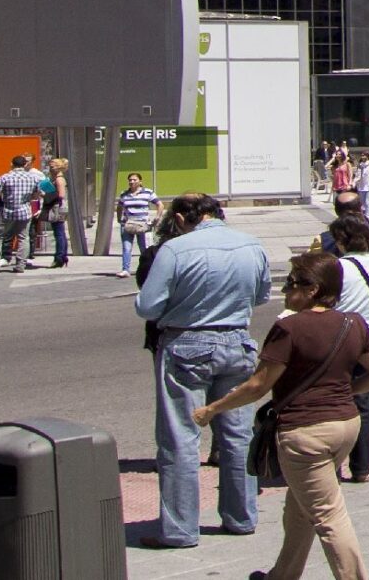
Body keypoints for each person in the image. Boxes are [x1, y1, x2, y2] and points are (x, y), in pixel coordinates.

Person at [195, 250, 369, 580]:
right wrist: (349, 391)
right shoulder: (352, 322)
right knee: (300, 508)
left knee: (328, 515)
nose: (285, 291)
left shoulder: (289, 328)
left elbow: (258, 386)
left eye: (290, 283)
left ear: (312, 288)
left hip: (305, 433)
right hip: (345, 425)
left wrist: (212, 409)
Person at [134, 192, 272, 549]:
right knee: (237, 434)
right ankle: (241, 517)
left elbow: (147, 306)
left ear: (180, 218)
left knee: (180, 438)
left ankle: (180, 528)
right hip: (236, 341)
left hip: (187, 343)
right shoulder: (251, 245)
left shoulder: (176, 250)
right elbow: (261, 297)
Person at [327, 214, 369, 484]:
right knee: (362, 403)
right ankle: (362, 467)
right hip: (368, 336)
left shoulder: (337, 267)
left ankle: (332, 464)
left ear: (342, 240)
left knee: (333, 401)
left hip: (340, 336)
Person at [0, 155, 41, 273]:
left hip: (7, 211)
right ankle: (20, 264)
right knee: (23, 238)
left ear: (12, 164)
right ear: (25, 164)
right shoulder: (33, 178)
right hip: (25, 212)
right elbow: (37, 195)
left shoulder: (4, 177)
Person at [116, 173, 161, 275]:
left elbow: (159, 204)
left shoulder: (147, 192)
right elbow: (119, 206)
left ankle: (148, 269)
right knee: (126, 247)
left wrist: (157, 217)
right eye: (130, 180)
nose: (132, 182)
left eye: (134, 180)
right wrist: (120, 219)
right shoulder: (124, 194)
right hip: (128, 223)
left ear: (140, 181)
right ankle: (125, 269)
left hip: (143, 224)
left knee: (144, 248)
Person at [34, 157, 71, 267]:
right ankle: (62, 256)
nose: (50, 167)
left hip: (58, 208)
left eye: (53, 166)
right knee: (60, 232)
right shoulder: (54, 178)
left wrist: (45, 195)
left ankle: (59, 257)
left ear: (59, 167)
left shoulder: (59, 179)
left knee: (59, 232)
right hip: (58, 207)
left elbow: (61, 195)